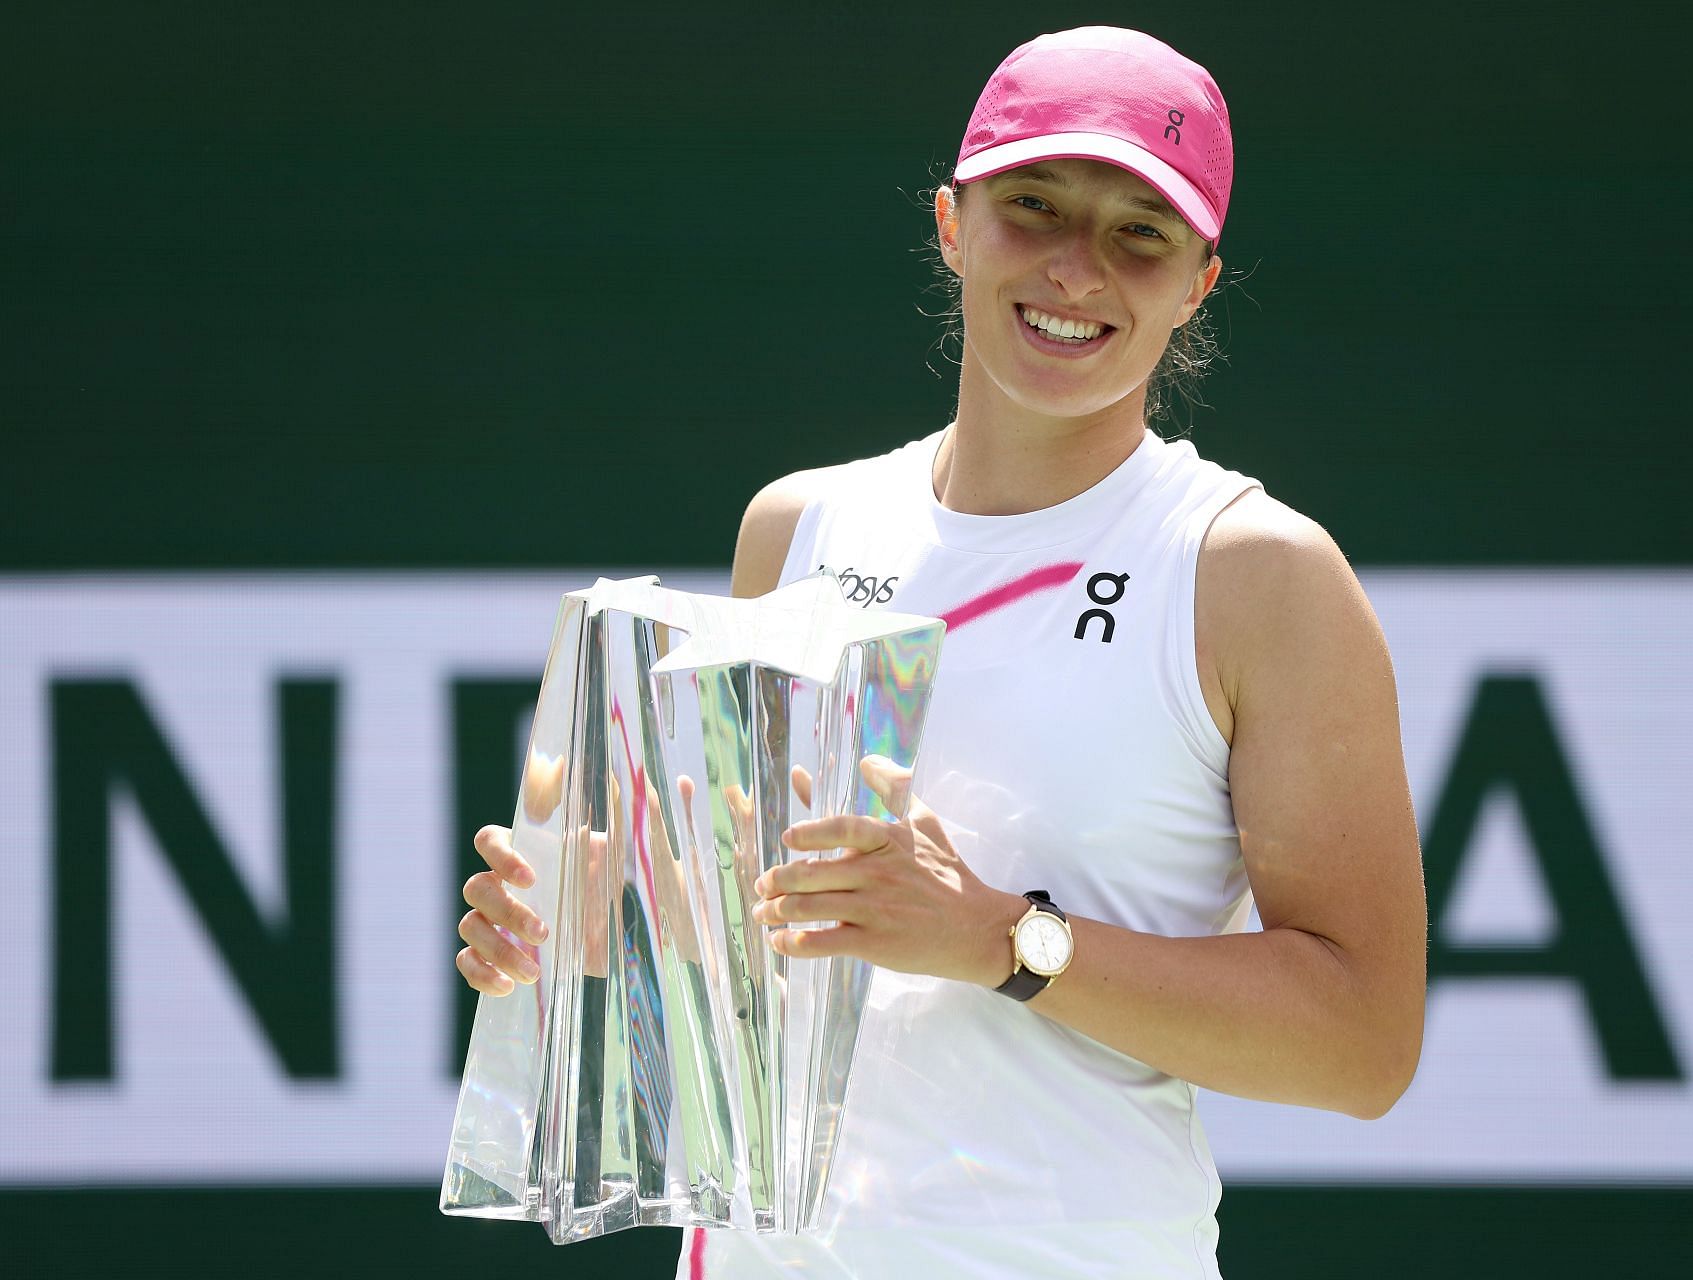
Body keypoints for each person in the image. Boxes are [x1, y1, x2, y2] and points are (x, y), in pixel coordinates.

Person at [456, 26, 1426, 1279]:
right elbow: (752, 997)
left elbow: (1363, 1045)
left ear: (1198, 283)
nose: (1080, 267)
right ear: (953, 225)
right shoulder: (795, 526)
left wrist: (999, 937)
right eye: (1035, 207)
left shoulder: (1258, 575)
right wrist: (605, 942)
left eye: (1142, 232)